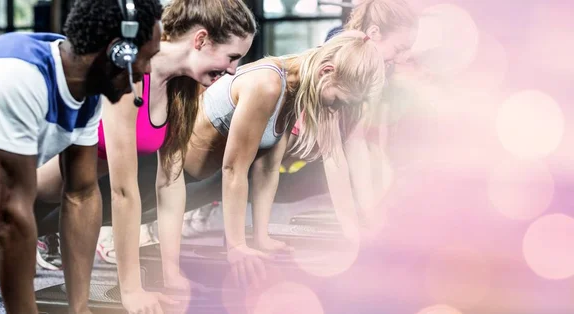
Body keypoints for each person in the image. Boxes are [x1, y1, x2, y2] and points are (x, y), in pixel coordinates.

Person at [29, 0, 256, 312]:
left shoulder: (182, 89)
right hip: (25, 193)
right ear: (200, 40)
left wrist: (171, 273)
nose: (232, 69)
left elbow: (170, 184)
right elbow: (123, 192)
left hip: (74, 199)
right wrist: (131, 290)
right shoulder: (130, 74)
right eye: (232, 57)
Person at [0, 0, 162, 312]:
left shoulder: (84, 87)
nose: (148, 69)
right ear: (119, 52)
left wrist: (79, 308)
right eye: (147, 56)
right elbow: (11, 217)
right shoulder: (18, 75)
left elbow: (81, 194)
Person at [182, 0, 419, 240]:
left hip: (234, 161)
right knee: (218, 182)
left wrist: (366, 219)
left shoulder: (346, 78)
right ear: (375, 33)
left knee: (257, 175)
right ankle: (193, 217)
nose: (401, 58)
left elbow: (349, 148)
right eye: (399, 48)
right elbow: (334, 154)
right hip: (196, 162)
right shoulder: (328, 67)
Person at [167, 31, 386, 288]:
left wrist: (261, 237)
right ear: (326, 71)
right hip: (173, 176)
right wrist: (237, 246)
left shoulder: (296, 90)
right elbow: (234, 169)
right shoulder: (268, 85)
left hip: (196, 180)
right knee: (118, 210)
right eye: (337, 100)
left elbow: (267, 168)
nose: (335, 108)